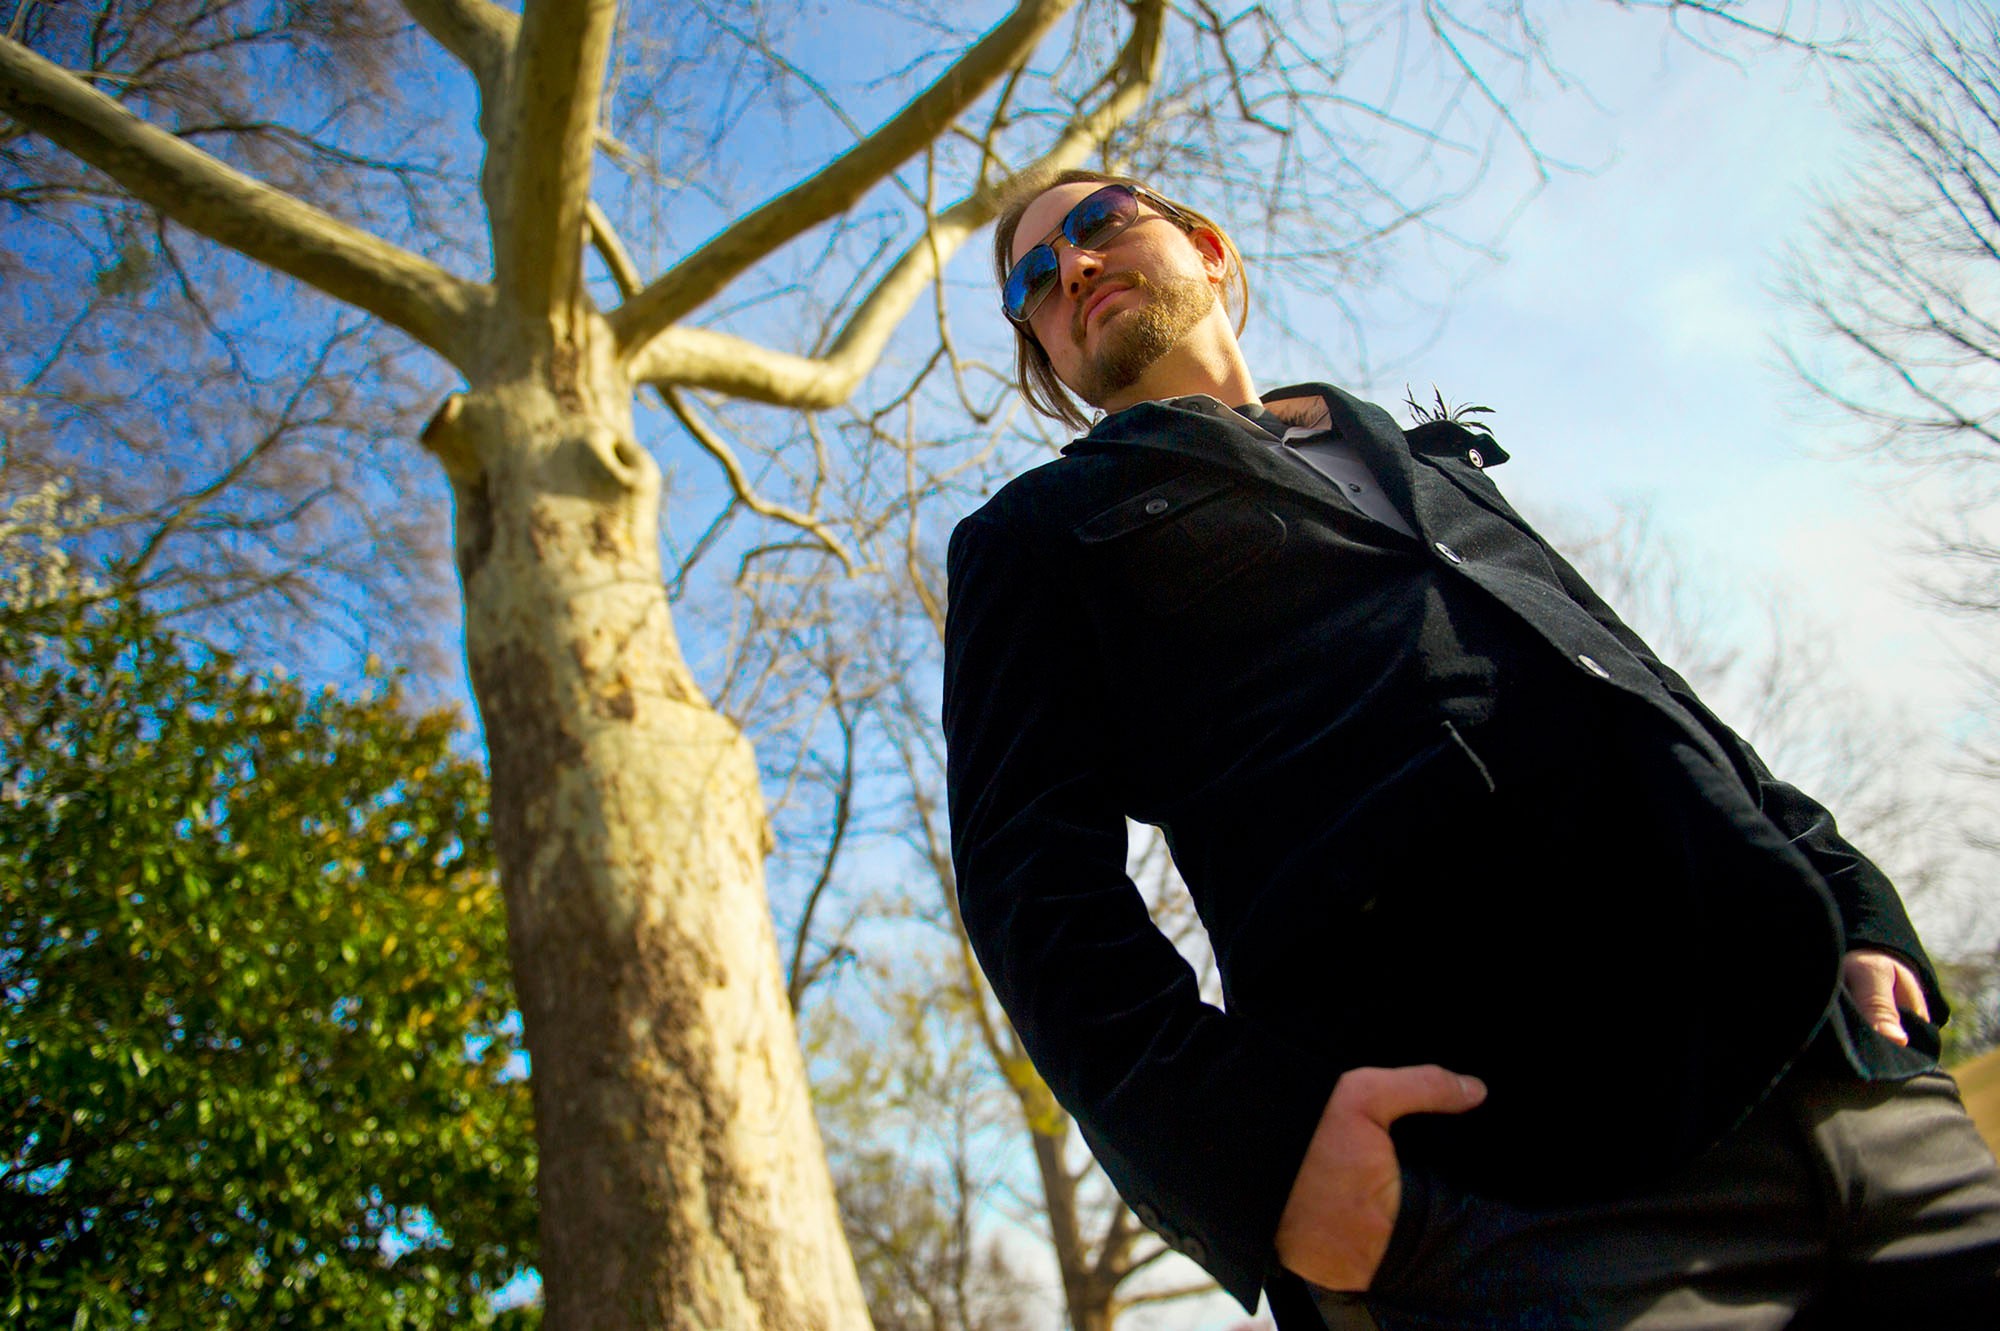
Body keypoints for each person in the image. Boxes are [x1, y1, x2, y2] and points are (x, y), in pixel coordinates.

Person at [940, 169, 2000, 1330]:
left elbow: (1640, 680)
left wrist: (1853, 901)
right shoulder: (1034, 540)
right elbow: (1029, 890)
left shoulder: (1419, 458)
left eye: (1097, 222)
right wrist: (1260, 1164)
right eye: (1032, 278)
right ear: (1045, 349)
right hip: (1516, 1195)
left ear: (1205, 246)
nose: (1073, 264)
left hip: (1835, 1059)